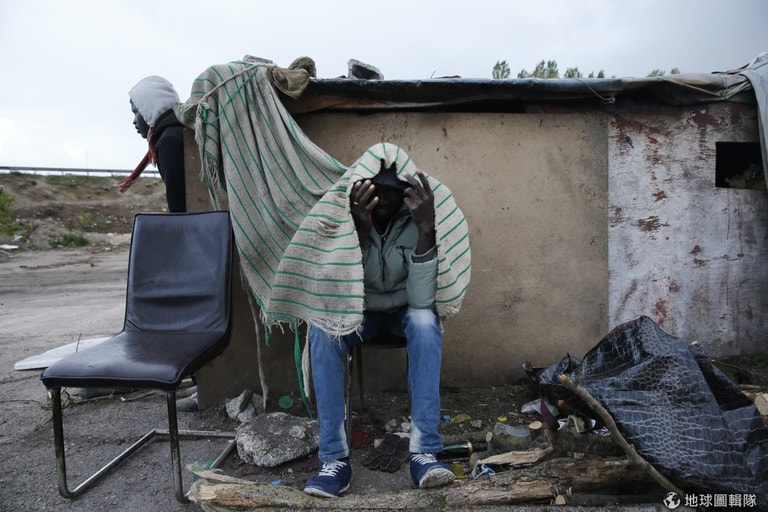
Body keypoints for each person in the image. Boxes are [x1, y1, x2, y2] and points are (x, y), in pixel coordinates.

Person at [303, 158, 455, 498]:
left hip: (405, 309)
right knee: (323, 330)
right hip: (361, 311)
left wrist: (426, 229)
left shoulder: (418, 219)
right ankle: (334, 460)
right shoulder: (345, 217)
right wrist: (358, 231)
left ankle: (424, 454)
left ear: (406, 192)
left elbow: (421, 300)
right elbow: (338, 289)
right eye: (375, 189)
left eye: (392, 190)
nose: (383, 199)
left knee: (425, 321)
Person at [120, 75, 186, 213]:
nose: (134, 121)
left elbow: (179, 204)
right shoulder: (180, 131)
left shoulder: (169, 141)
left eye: (136, 112)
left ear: (150, 109)